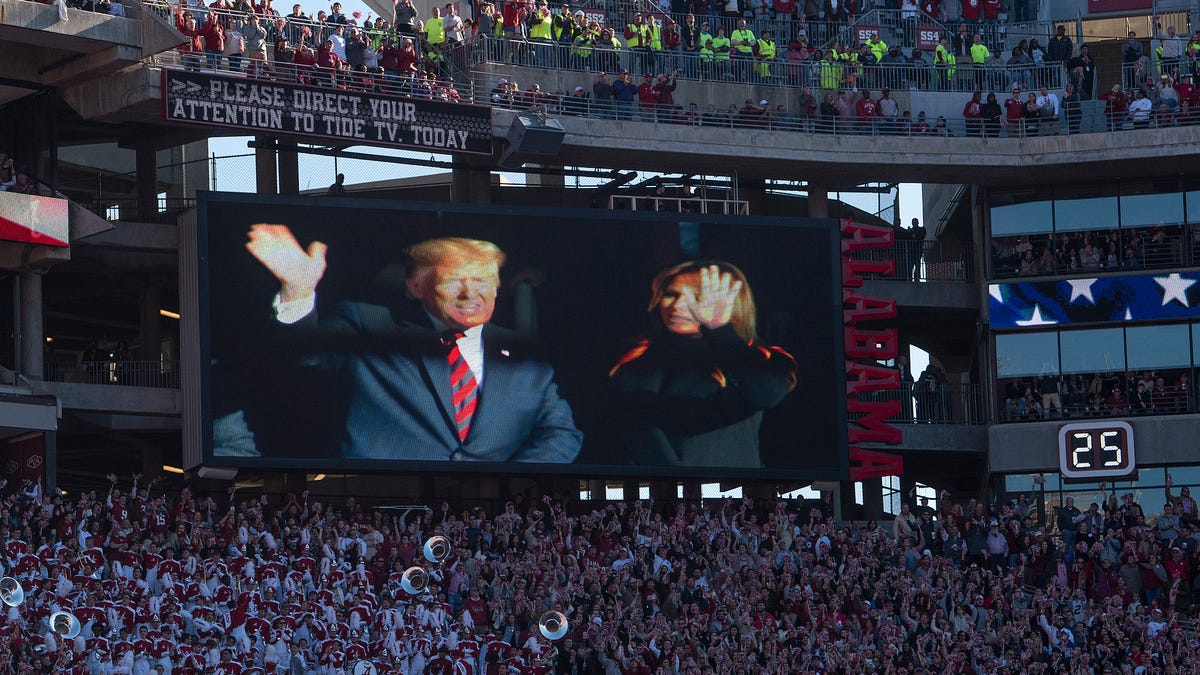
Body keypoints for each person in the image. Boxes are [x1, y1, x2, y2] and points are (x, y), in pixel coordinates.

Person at [245, 227, 583, 462]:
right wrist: (299, 293)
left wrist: (508, 483)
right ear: (416, 287)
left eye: (482, 280)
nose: (470, 293)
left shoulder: (524, 353)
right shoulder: (370, 325)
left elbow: (560, 434)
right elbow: (308, 356)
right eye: (453, 280)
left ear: (496, 287)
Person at [608, 262, 796, 468]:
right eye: (671, 294)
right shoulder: (633, 358)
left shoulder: (762, 357)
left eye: (696, 298)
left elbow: (766, 393)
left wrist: (719, 329)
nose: (677, 306)